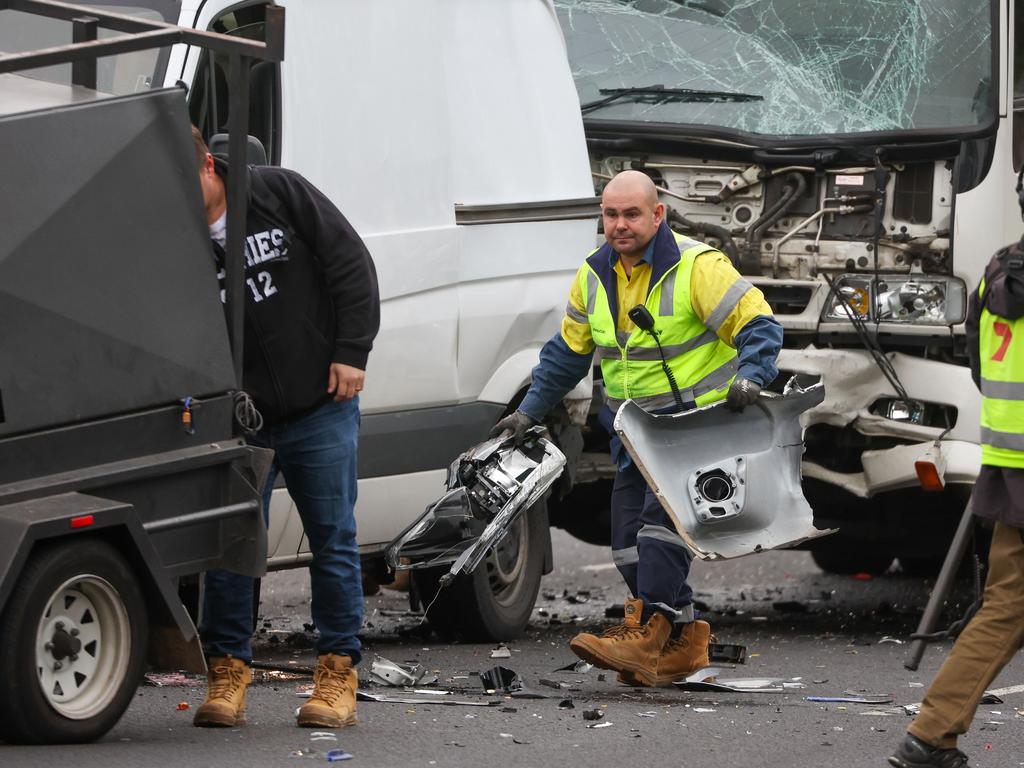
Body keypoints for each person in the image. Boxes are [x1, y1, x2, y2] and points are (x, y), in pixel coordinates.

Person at [490, 170, 782, 686]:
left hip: (697, 428)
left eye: (631, 214)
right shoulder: (593, 274)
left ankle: (649, 629)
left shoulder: (697, 267)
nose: (619, 225)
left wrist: (752, 376)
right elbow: (567, 353)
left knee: (658, 527)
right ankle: (682, 644)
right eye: (610, 215)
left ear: (657, 215)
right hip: (637, 434)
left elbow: (759, 324)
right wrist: (529, 410)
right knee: (625, 540)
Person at [189, 127, 380, 729]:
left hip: (319, 405)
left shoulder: (278, 193)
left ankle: (336, 674)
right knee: (230, 549)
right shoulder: (173, 234)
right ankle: (227, 671)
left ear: (208, 166)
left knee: (332, 540)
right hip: (240, 419)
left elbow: (350, 264)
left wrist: (352, 350)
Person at [889, 237, 1024, 768]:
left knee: (1007, 606)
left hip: (1010, 461)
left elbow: (977, 363)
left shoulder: (999, 268)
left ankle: (931, 734)